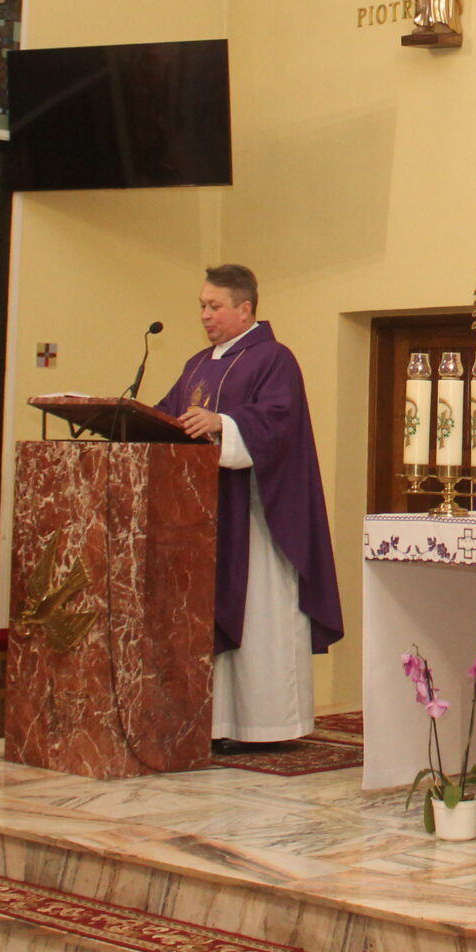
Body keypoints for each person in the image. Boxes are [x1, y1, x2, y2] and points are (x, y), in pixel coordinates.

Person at [153, 265, 342, 748]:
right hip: (208, 517)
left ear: (245, 309)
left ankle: (268, 726)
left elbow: (280, 422)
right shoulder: (198, 364)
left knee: (260, 618)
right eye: (202, 305)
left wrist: (224, 423)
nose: (205, 315)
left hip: (259, 518)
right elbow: (168, 417)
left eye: (214, 306)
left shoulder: (274, 359)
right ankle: (216, 725)